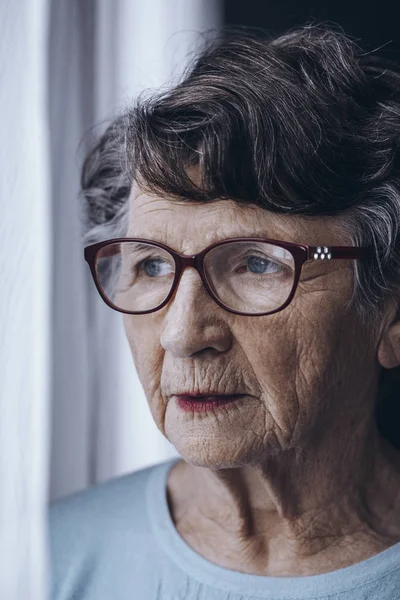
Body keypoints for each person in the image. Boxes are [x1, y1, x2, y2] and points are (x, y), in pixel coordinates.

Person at [49, 23, 400, 600]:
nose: (185, 334)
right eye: (152, 266)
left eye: (257, 265)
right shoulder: (48, 560)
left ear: (389, 310)